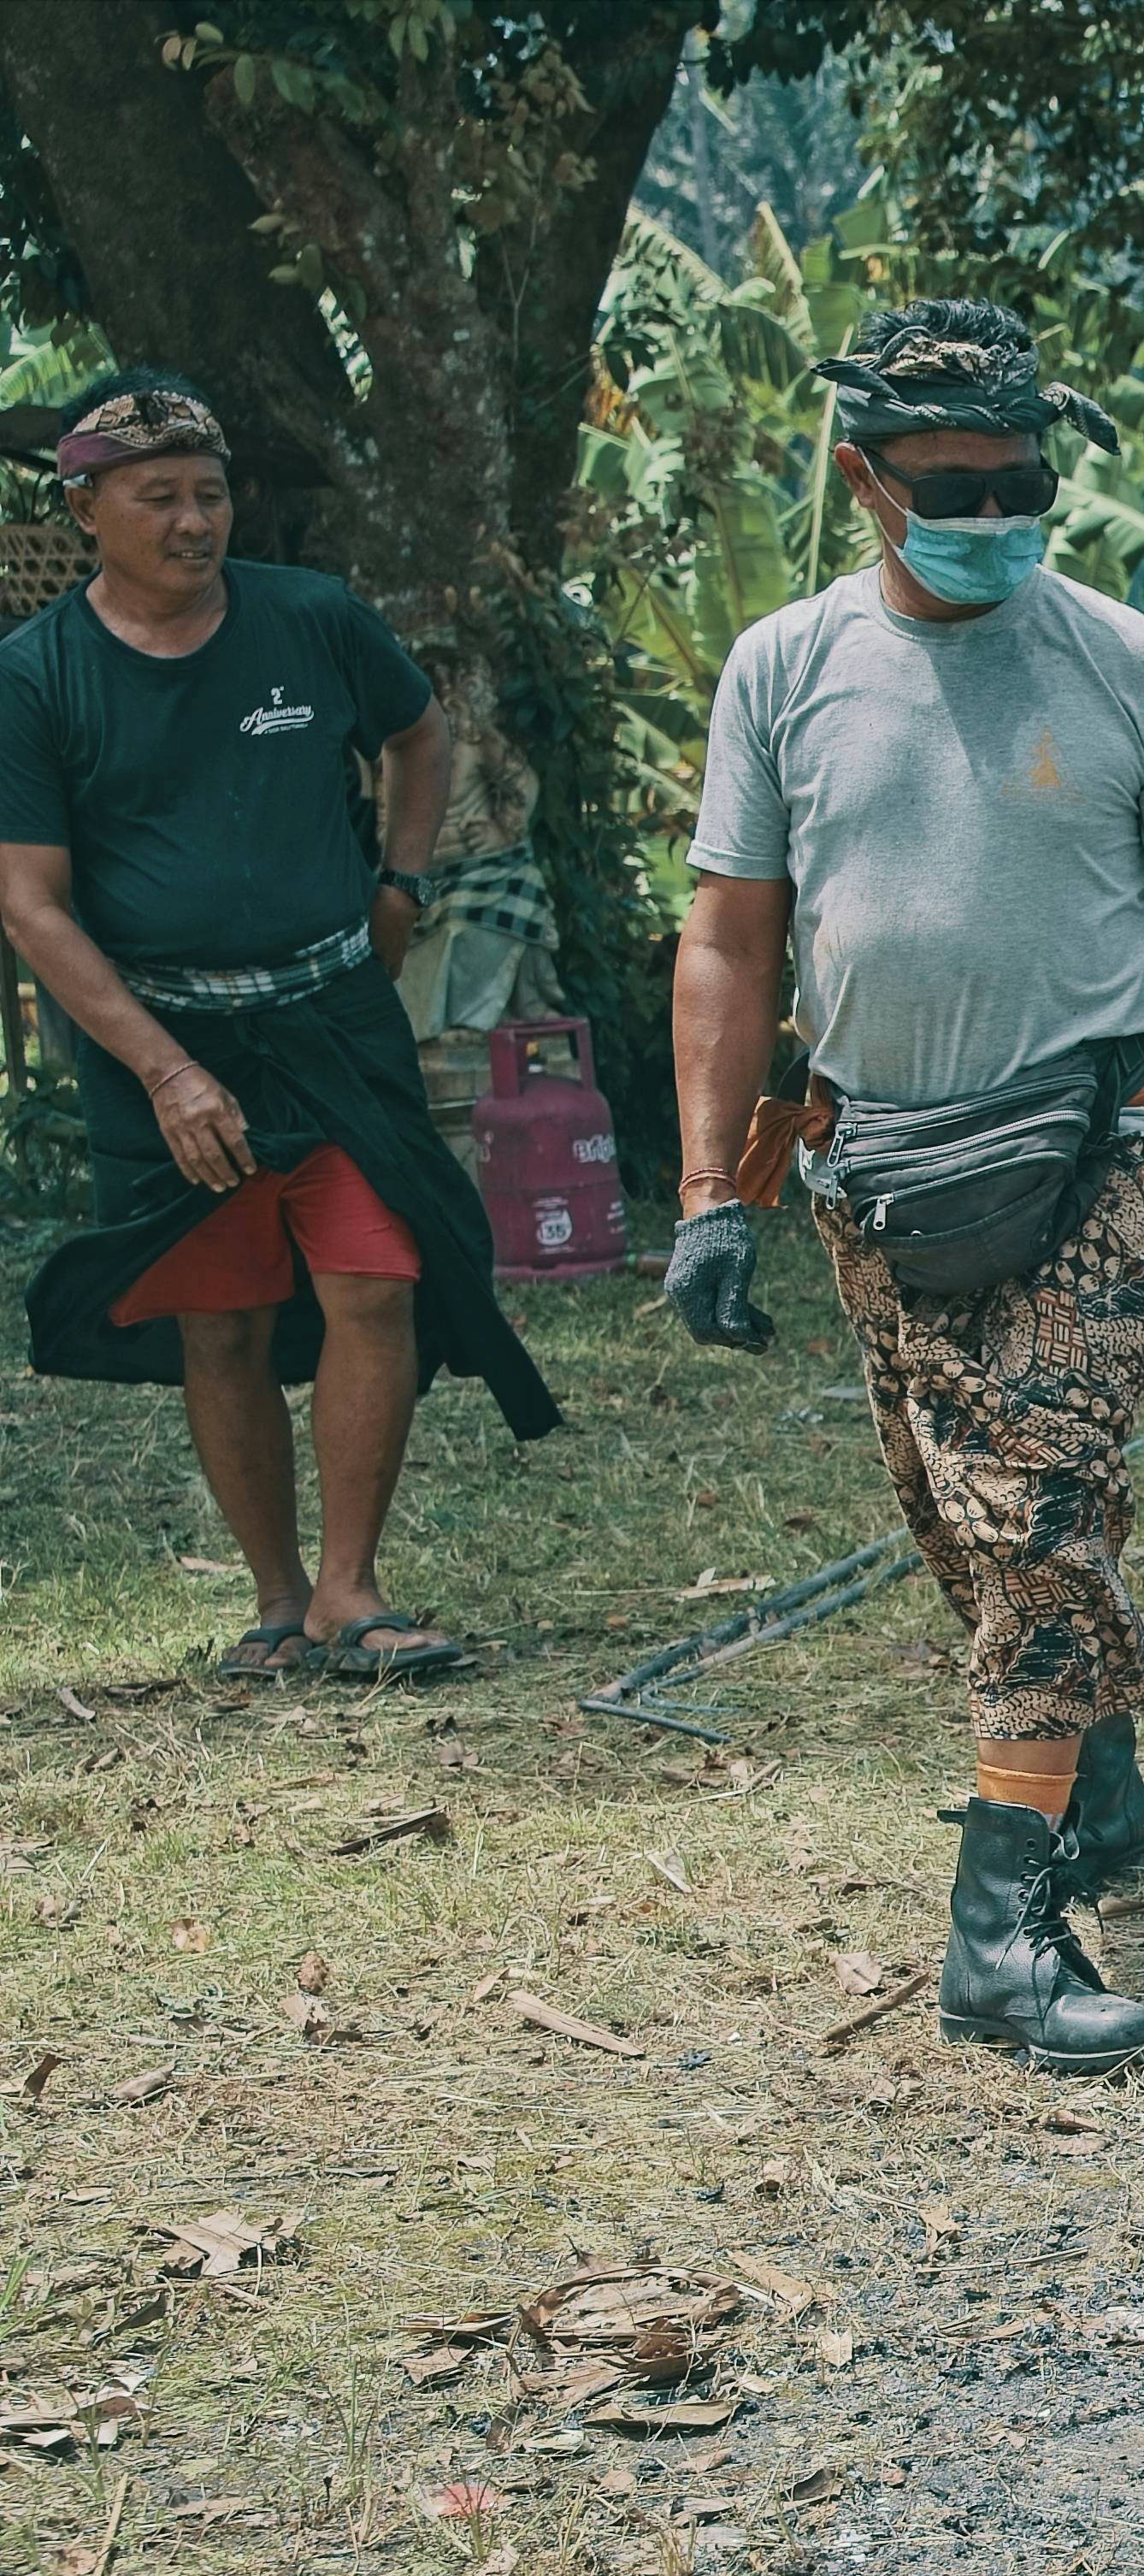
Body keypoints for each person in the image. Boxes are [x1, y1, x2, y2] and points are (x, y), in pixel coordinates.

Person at [663, 299, 1144, 2077]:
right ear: (862, 481)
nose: (993, 510)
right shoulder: (786, 668)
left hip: (1094, 1149)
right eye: (952, 484)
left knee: (1035, 1508)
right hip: (874, 1163)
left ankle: (999, 1934)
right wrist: (705, 1189)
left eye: (1023, 479)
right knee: (956, 1516)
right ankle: (1095, 1785)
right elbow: (730, 938)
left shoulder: (1123, 662)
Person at [6, 371, 557, 1675]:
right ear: (85, 508)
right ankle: (274, 1599)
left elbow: (419, 737)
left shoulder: (310, 620)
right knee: (224, 1317)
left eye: (210, 494)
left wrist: (400, 887)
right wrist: (167, 1072)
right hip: (162, 1041)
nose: (194, 522)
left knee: (378, 1277)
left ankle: (350, 1594)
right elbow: (30, 908)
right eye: (159, 499)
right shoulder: (35, 678)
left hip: (331, 1018)